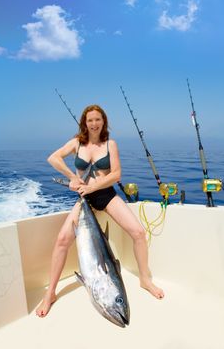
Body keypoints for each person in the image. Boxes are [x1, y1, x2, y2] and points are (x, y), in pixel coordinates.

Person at [36, 105, 164, 317]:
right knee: (61, 241)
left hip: (106, 196)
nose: (94, 124)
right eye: (90, 120)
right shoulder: (76, 143)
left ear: (104, 121)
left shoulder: (110, 144)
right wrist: (72, 178)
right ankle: (50, 293)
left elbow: (116, 175)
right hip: (84, 199)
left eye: (98, 119)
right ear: (84, 123)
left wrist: (92, 186)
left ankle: (144, 279)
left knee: (139, 233)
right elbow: (53, 158)